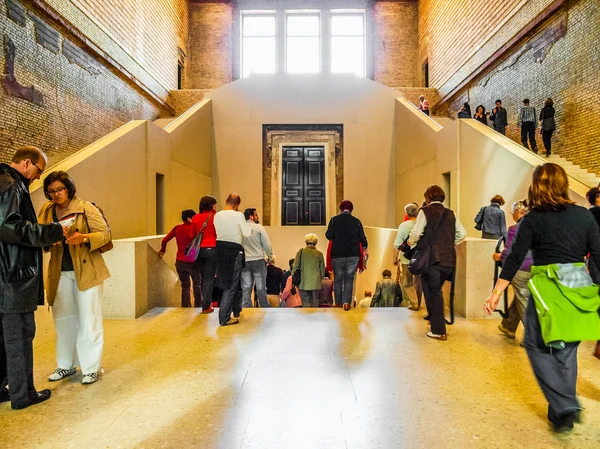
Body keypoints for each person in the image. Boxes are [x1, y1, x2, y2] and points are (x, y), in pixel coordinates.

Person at [484, 163, 600, 432]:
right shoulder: (584, 216)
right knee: (567, 352)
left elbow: (513, 258)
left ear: (536, 186)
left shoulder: (533, 219)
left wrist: (496, 292)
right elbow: (598, 255)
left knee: (536, 345)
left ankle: (564, 403)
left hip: (547, 289)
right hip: (578, 288)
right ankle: (563, 415)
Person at [0, 147, 66, 409]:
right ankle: (22, 394)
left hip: (5, 274)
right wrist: (53, 231)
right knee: (20, 337)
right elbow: (10, 227)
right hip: (13, 277)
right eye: (39, 171)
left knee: (5, 338)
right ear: (27, 163)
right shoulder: (11, 185)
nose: (38, 178)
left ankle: (6, 387)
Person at [39, 171, 111, 385]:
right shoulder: (47, 210)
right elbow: (40, 234)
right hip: (58, 271)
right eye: (51, 191)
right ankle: (66, 365)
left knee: (89, 320)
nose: (56, 194)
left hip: (87, 270)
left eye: (59, 189)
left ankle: (91, 367)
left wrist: (85, 237)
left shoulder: (86, 208)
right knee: (63, 320)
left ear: (69, 188)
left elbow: (105, 234)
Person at [409, 185, 467, 340]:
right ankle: (435, 319)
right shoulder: (450, 213)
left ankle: (439, 330)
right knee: (434, 290)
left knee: (434, 292)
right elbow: (462, 233)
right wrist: (448, 242)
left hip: (431, 259)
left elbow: (416, 232)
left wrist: (410, 241)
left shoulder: (425, 211)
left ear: (428, 198)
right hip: (448, 259)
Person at [492, 200, 532, 340]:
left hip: (522, 268)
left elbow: (510, 252)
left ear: (517, 212)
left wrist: (499, 256)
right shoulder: (538, 225)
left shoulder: (515, 228)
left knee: (523, 300)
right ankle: (508, 325)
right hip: (539, 267)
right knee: (521, 297)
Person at [213, 194, 251, 326]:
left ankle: (232, 312)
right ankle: (224, 317)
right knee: (232, 286)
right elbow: (247, 233)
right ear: (237, 205)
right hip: (234, 251)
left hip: (220, 250)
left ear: (226, 201)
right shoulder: (238, 215)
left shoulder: (217, 215)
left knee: (226, 283)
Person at [325, 200, 368, 311]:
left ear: (340, 208)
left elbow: (329, 235)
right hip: (353, 255)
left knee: (338, 279)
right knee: (349, 279)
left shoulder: (334, 220)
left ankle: (338, 303)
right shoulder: (356, 221)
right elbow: (362, 238)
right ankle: (346, 303)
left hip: (337, 254)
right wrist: (364, 248)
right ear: (351, 209)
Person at [159, 209, 200, 308]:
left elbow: (164, 240)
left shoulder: (177, 228)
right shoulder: (194, 229)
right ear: (190, 218)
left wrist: (162, 250)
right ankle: (199, 305)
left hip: (180, 261)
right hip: (193, 261)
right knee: (197, 284)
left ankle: (185, 306)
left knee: (185, 285)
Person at [190, 195, 218, 313]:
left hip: (199, 251)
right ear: (211, 205)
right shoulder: (215, 217)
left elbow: (192, 235)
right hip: (212, 248)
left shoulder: (195, 218)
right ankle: (207, 305)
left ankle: (203, 303)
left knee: (202, 278)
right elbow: (218, 233)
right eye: (215, 204)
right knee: (209, 278)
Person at [240, 208, 273, 308]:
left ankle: (246, 308)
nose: (257, 217)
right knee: (260, 287)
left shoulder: (240, 228)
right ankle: (264, 307)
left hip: (245, 260)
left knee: (246, 287)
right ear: (251, 216)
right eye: (256, 215)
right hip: (258, 259)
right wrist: (270, 256)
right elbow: (266, 243)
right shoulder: (258, 227)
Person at [393, 203, 423, 311]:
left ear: (407, 213)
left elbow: (397, 244)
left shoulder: (403, 225)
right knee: (418, 281)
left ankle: (414, 303)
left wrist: (394, 258)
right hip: (420, 257)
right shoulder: (422, 225)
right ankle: (419, 302)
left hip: (407, 258)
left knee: (407, 281)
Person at [292, 233, 325, 308]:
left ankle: (306, 318)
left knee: (305, 302)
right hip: (316, 283)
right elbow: (322, 271)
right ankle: (315, 318)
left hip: (303, 283)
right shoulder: (319, 254)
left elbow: (295, 268)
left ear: (306, 242)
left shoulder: (300, 253)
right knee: (315, 301)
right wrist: (319, 278)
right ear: (316, 242)